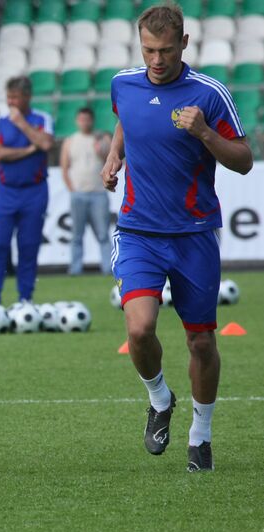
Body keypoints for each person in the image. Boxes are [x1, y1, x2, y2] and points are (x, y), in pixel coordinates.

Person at [101, 2, 253, 472]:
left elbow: (245, 159)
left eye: (165, 50)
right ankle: (160, 399)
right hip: (138, 231)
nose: (157, 60)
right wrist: (114, 157)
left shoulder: (210, 95)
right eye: (148, 50)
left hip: (194, 235)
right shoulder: (123, 83)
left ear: (183, 44)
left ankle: (200, 437)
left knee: (202, 342)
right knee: (140, 328)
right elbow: (126, 118)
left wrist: (205, 132)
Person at [0, 76, 54, 304]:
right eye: (8, 97)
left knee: (28, 246)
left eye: (15, 97)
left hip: (34, 192)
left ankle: (25, 298)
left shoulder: (42, 119)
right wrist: (27, 150)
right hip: (4, 191)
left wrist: (22, 125)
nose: (11, 102)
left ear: (27, 97)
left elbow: (45, 144)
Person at [60, 107, 112, 275]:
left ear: (92, 120)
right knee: (76, 235)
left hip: (98, 192)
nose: (84, 122)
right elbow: (64, 167)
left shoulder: (101, 138)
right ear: (77, 121)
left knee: (103, 234)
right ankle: (75, 269)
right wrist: (72, 189)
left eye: (87, 119)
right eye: (81, 119)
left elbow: (112, 160)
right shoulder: (70, 141)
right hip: (79, 193)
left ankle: (108, 268)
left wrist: (102, 150)